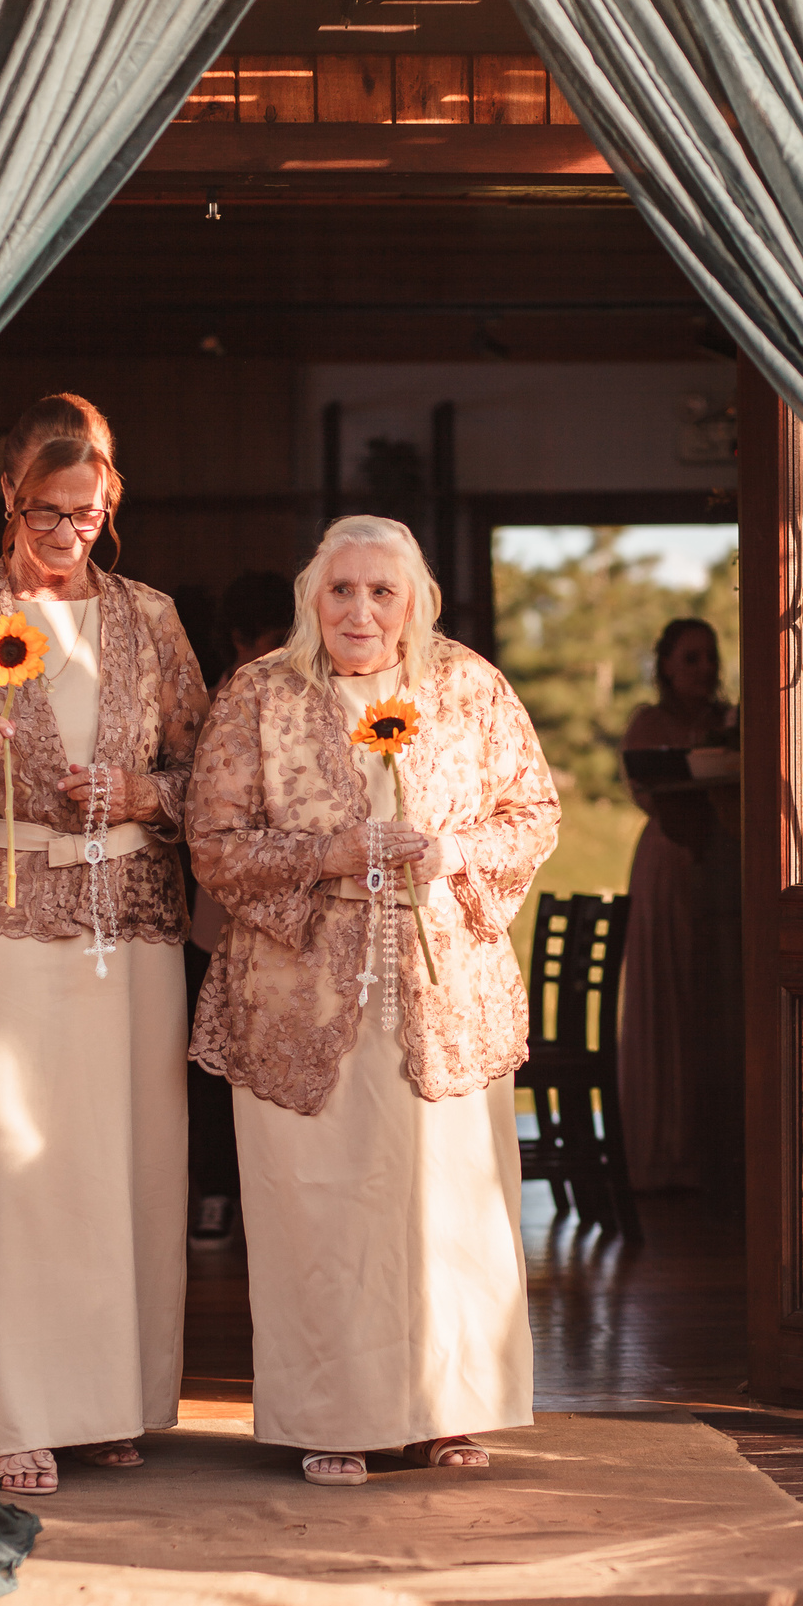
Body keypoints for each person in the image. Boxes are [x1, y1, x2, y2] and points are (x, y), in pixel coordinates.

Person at [186, 515, 559, 1486]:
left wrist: (458, 852)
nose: (359, 609)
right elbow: (215, 843)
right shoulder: (262, 693)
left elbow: (532, 812)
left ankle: (450, 1411)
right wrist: (329, 856)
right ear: (313, 597)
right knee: (318, 1205)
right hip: (296, 998)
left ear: (417, 602)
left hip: (442, 993)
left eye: (381, 591)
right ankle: (329, 1418)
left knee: (444, 1204)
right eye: (341, 590)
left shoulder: (469, 687)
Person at [0, 392, 208, 1496]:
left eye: (86, 512)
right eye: (46, 511)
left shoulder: (151, 619)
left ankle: (114, 1401)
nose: (66, 533)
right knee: (12, 1163)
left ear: (109, 504)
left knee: (127, 1160)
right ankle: (21, 1410)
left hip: (129, 915)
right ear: (8, 501)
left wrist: (139, 789)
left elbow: (209, 781)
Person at [187, 569, 295, 1251]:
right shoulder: (225, 699)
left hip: (290, 902)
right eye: (272, 640)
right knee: (217, 1055)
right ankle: (219, 1192)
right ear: (238, 641)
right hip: (225, 906)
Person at [619, 617, 742, 1194]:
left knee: (719, 1001)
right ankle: (665, 1151)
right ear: (667, 664)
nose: (704, 668)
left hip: (727, 863)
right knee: (668, 994)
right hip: (670, 864)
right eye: (691, 658)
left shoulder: (732, 721)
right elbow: (647, 788)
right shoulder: (651, 724)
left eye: (710, 657)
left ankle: (724, 1151)